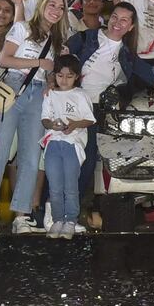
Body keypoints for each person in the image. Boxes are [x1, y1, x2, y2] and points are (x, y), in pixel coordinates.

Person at [67, 2, 154, 228]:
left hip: (98, 113)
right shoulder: (86, 38)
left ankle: (72, 214)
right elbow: (61, 59)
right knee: (64, 159)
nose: (117, 23)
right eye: (115, 16)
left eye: (124, 20)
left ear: (131, 27)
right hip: (72, 105)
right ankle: (53, 210)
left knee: (87, 162)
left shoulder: (126, 54)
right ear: (108, 17)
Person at [0, 0, 69, 237]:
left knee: (30, 156)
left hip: (38, 95)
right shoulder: (21, 28)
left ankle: (21, 214)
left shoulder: (58, 39)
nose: (56, 10)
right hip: (13, 90)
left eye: (61, 7)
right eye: (52, 4)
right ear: (41, 5)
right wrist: (38, 64)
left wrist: (50, 81)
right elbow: (4, 60)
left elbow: (52, 72)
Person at [41, 55, 96, 239]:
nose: (64, 80)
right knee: (55, 184)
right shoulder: (50, 94)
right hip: (53, 143)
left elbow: (89, 119)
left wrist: (74, 124)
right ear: (55, 75)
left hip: (73, 144)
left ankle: (70, 219)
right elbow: (45, 118)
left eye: (69, 76)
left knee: (70, 184)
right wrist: (52, 125)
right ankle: (58, 219)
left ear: (77, 77)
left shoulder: (80, 95)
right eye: (60, 75)